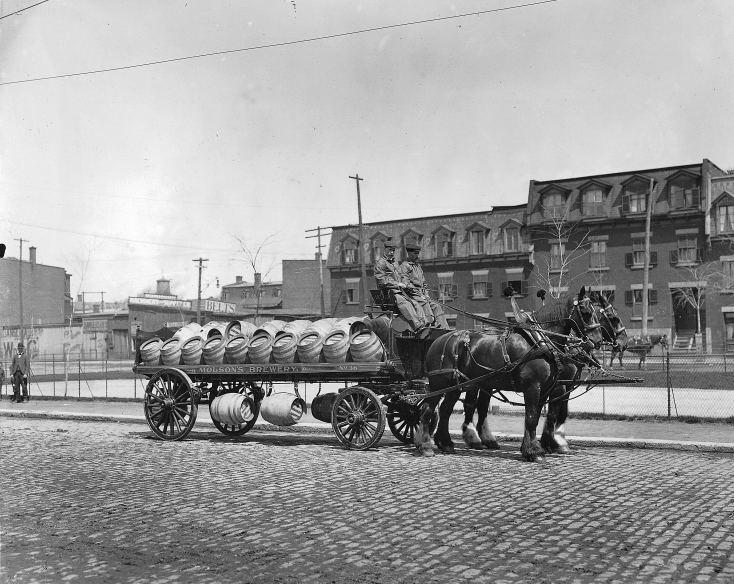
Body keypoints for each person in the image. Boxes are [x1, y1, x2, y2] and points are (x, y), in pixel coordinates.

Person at [374, 238, 426, 331]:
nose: (392, 252)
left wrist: (407, 284)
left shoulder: (395, 263)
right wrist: (397, 283)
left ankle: (424, 325)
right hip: (389, 292)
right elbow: (382, 281)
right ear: (384, 250)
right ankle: (417, 325)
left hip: (400, 291)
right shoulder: (380, 263)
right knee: (405, 304)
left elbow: (401, 276)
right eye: (390, 250)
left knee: (416, 304)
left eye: (393, 250)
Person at [399, 243, 450, 328]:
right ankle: (430, 325)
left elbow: (424, 283)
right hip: (410, 295)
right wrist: (419, 294)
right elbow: (406, 283)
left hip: (421, 295)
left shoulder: (418, 266)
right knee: (425, 303)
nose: (417, 255)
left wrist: (426, 294)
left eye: (418, 253)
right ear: (409, 253)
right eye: (415, 253)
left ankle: (445, 328)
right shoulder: (404, 266)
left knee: (436, 305)